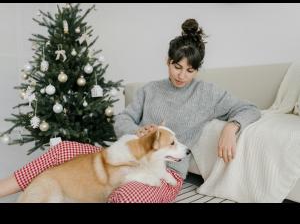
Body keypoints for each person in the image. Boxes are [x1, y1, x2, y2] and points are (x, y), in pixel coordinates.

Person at [0, 18, 261, 203]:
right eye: (176, 67)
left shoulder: (207, 93)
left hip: (163, 173)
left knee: (126, 196)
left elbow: (249, 108)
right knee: (63, 149)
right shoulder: (150, 89)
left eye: (189, 70)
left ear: (197, 70)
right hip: (126, 159)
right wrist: (137, 131)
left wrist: (231, 126)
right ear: (167, 61)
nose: (181, 75)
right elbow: (124, 118)